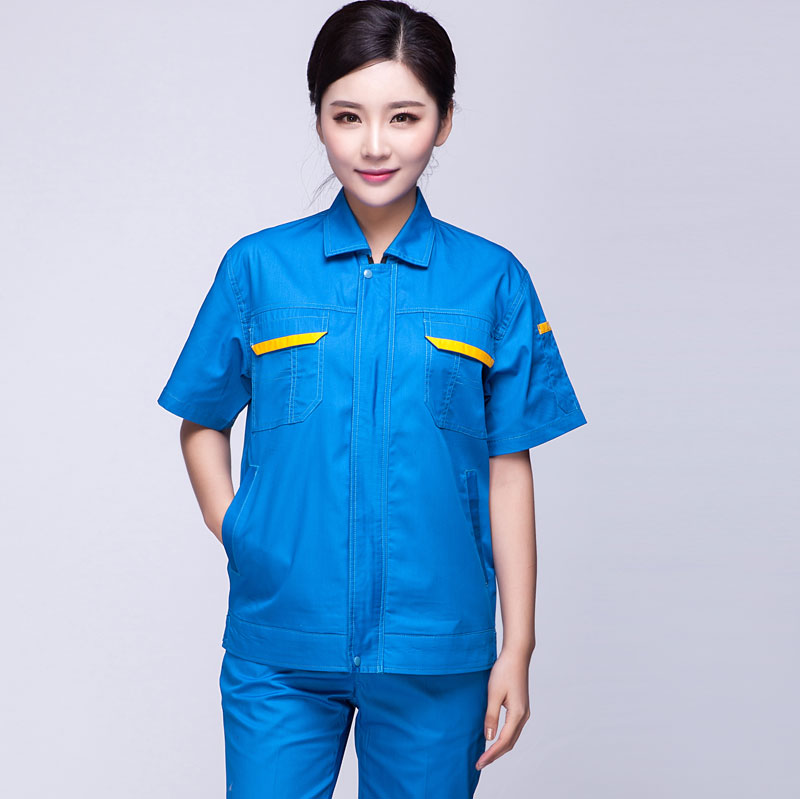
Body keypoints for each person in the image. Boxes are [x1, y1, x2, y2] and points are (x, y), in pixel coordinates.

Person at [157, 1, 587, 796]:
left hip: (437, 646)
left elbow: (509, 467)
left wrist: (517, 645)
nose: (376, 144)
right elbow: (201, 418)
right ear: (319, 118)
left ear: (444, 122)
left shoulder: (493, 280)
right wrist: (238, 527)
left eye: (405, 116)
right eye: (348, 115)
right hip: (280, 642)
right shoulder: (257, 268)